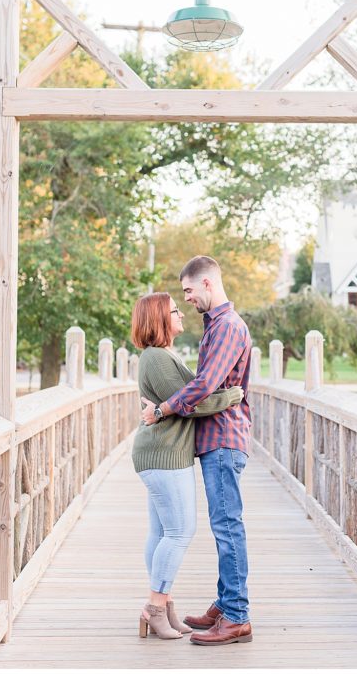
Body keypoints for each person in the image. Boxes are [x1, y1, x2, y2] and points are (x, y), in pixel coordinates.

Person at [140, 256, 254, 645]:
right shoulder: (214, 327)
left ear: (207, 284)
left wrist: (162, 409)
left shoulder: (226, 327)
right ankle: (226, 604)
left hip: (223, 438)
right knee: (222, 526)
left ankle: (236, 615)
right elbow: (204, 385)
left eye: (188, 291)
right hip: (213, 439)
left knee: (227, 527)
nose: (186, 299)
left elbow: (204, 384)